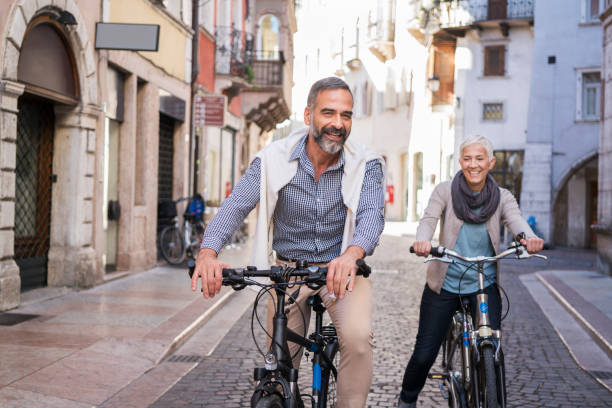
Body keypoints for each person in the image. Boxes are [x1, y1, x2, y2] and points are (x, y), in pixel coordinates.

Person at [191, 76, 386, 408]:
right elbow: (237, 204)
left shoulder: (366, 164)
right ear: (308, 115)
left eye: (346, 115)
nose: (338, 124)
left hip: (341, 268)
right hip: (287, 273)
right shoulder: (273, 158)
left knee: (357, 340)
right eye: (329, 113)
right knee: (279, 364)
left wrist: (352, 254)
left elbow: (371, 216)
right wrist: (208, 253)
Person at [397, 135, 544, 408]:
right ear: (460, 162)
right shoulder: (445, 191)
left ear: (491, 162)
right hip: (446, 284)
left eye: (479, 158)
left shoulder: (502, 197)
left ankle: (488, 393)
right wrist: (423, 241)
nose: (473, 165)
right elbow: (428, 219)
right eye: (467, 158)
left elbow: (517, 221)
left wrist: (528, 237)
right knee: (424, 353)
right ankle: (406, 400)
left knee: (492, 347)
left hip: (484, 284)